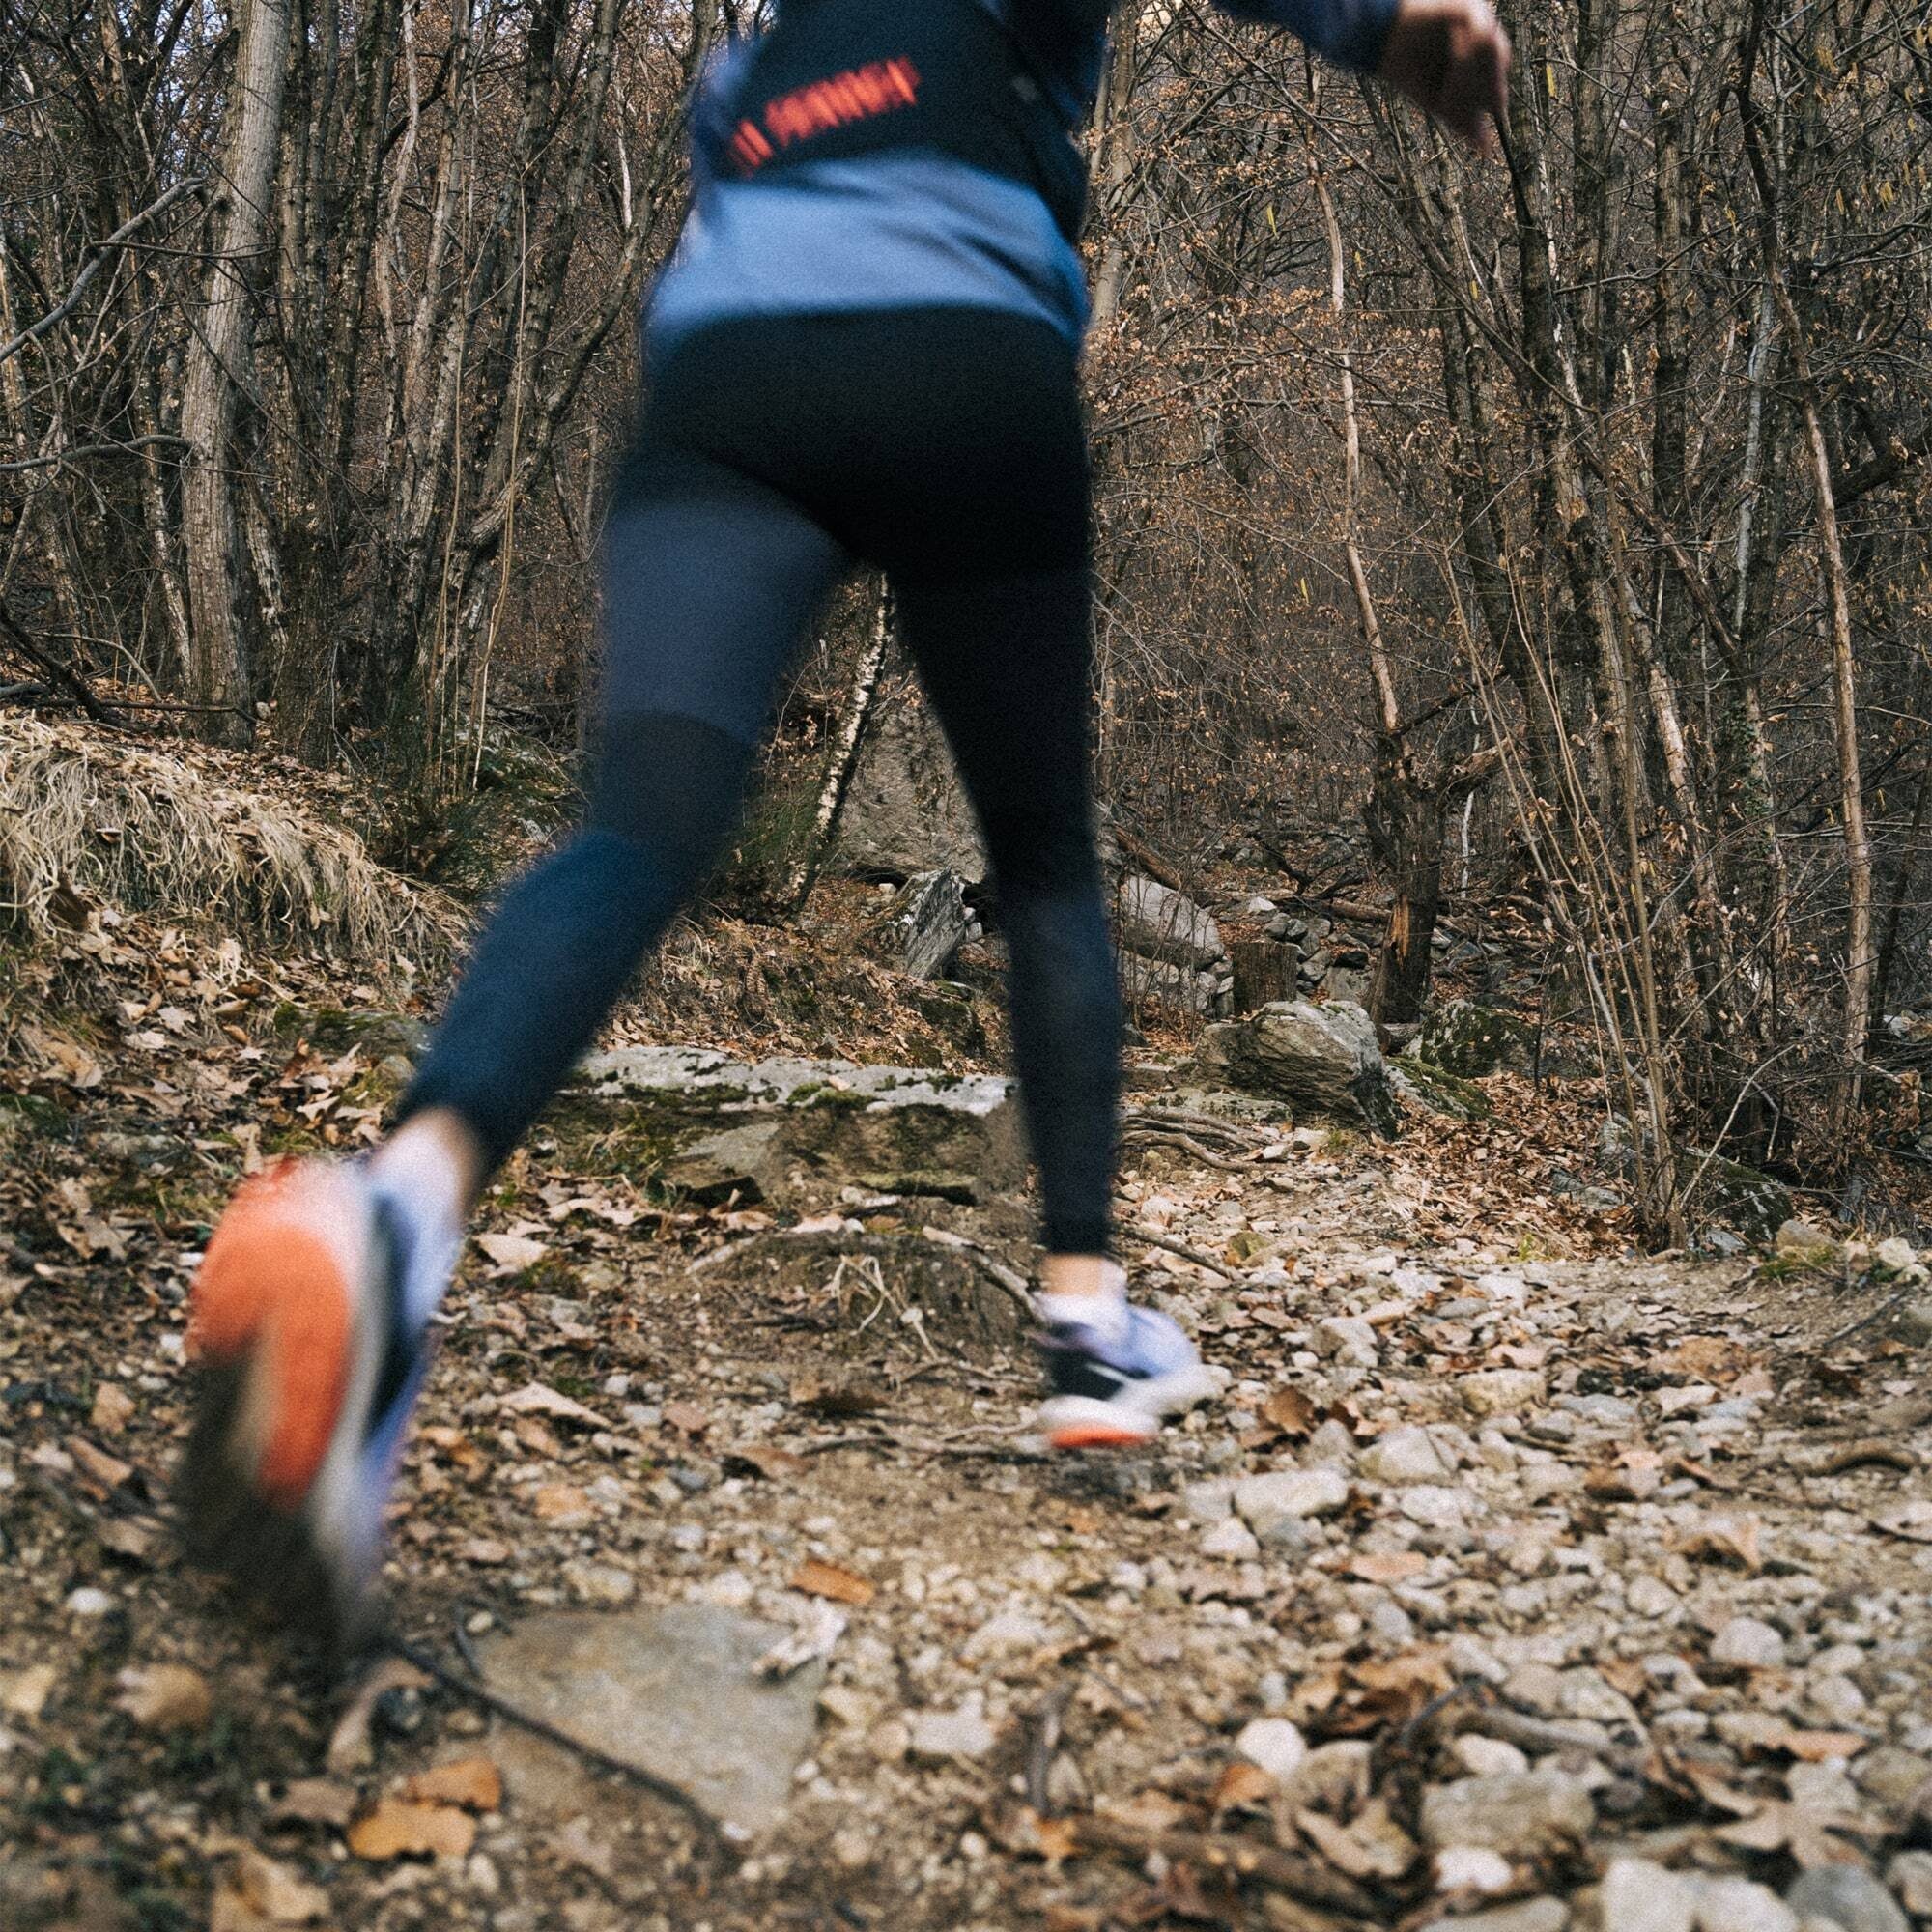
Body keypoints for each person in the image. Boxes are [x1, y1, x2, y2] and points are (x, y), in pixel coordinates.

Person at [180, 0, 1509, 1643]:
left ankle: (399, 1210)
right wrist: (1377, 28)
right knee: (1042, 863)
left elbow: (725, 155)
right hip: (963, 346)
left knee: (641, 824)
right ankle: (1089, 1332)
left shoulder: (763, 55)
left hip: (729, 371)